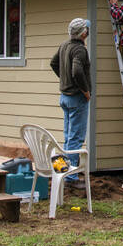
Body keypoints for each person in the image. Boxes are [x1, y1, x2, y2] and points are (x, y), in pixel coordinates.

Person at [50, 18, 92, 189]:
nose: (88, 31)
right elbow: (77, 71)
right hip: (76, 98)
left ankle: (62, 172)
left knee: (68, 137)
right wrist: (85, 91)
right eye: (87, 29)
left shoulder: (64, 45)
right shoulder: (80, 50)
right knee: (75, 138)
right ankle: (71, 178)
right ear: (83, 33)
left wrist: (64, 80)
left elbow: (54, 63)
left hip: (64, 97)